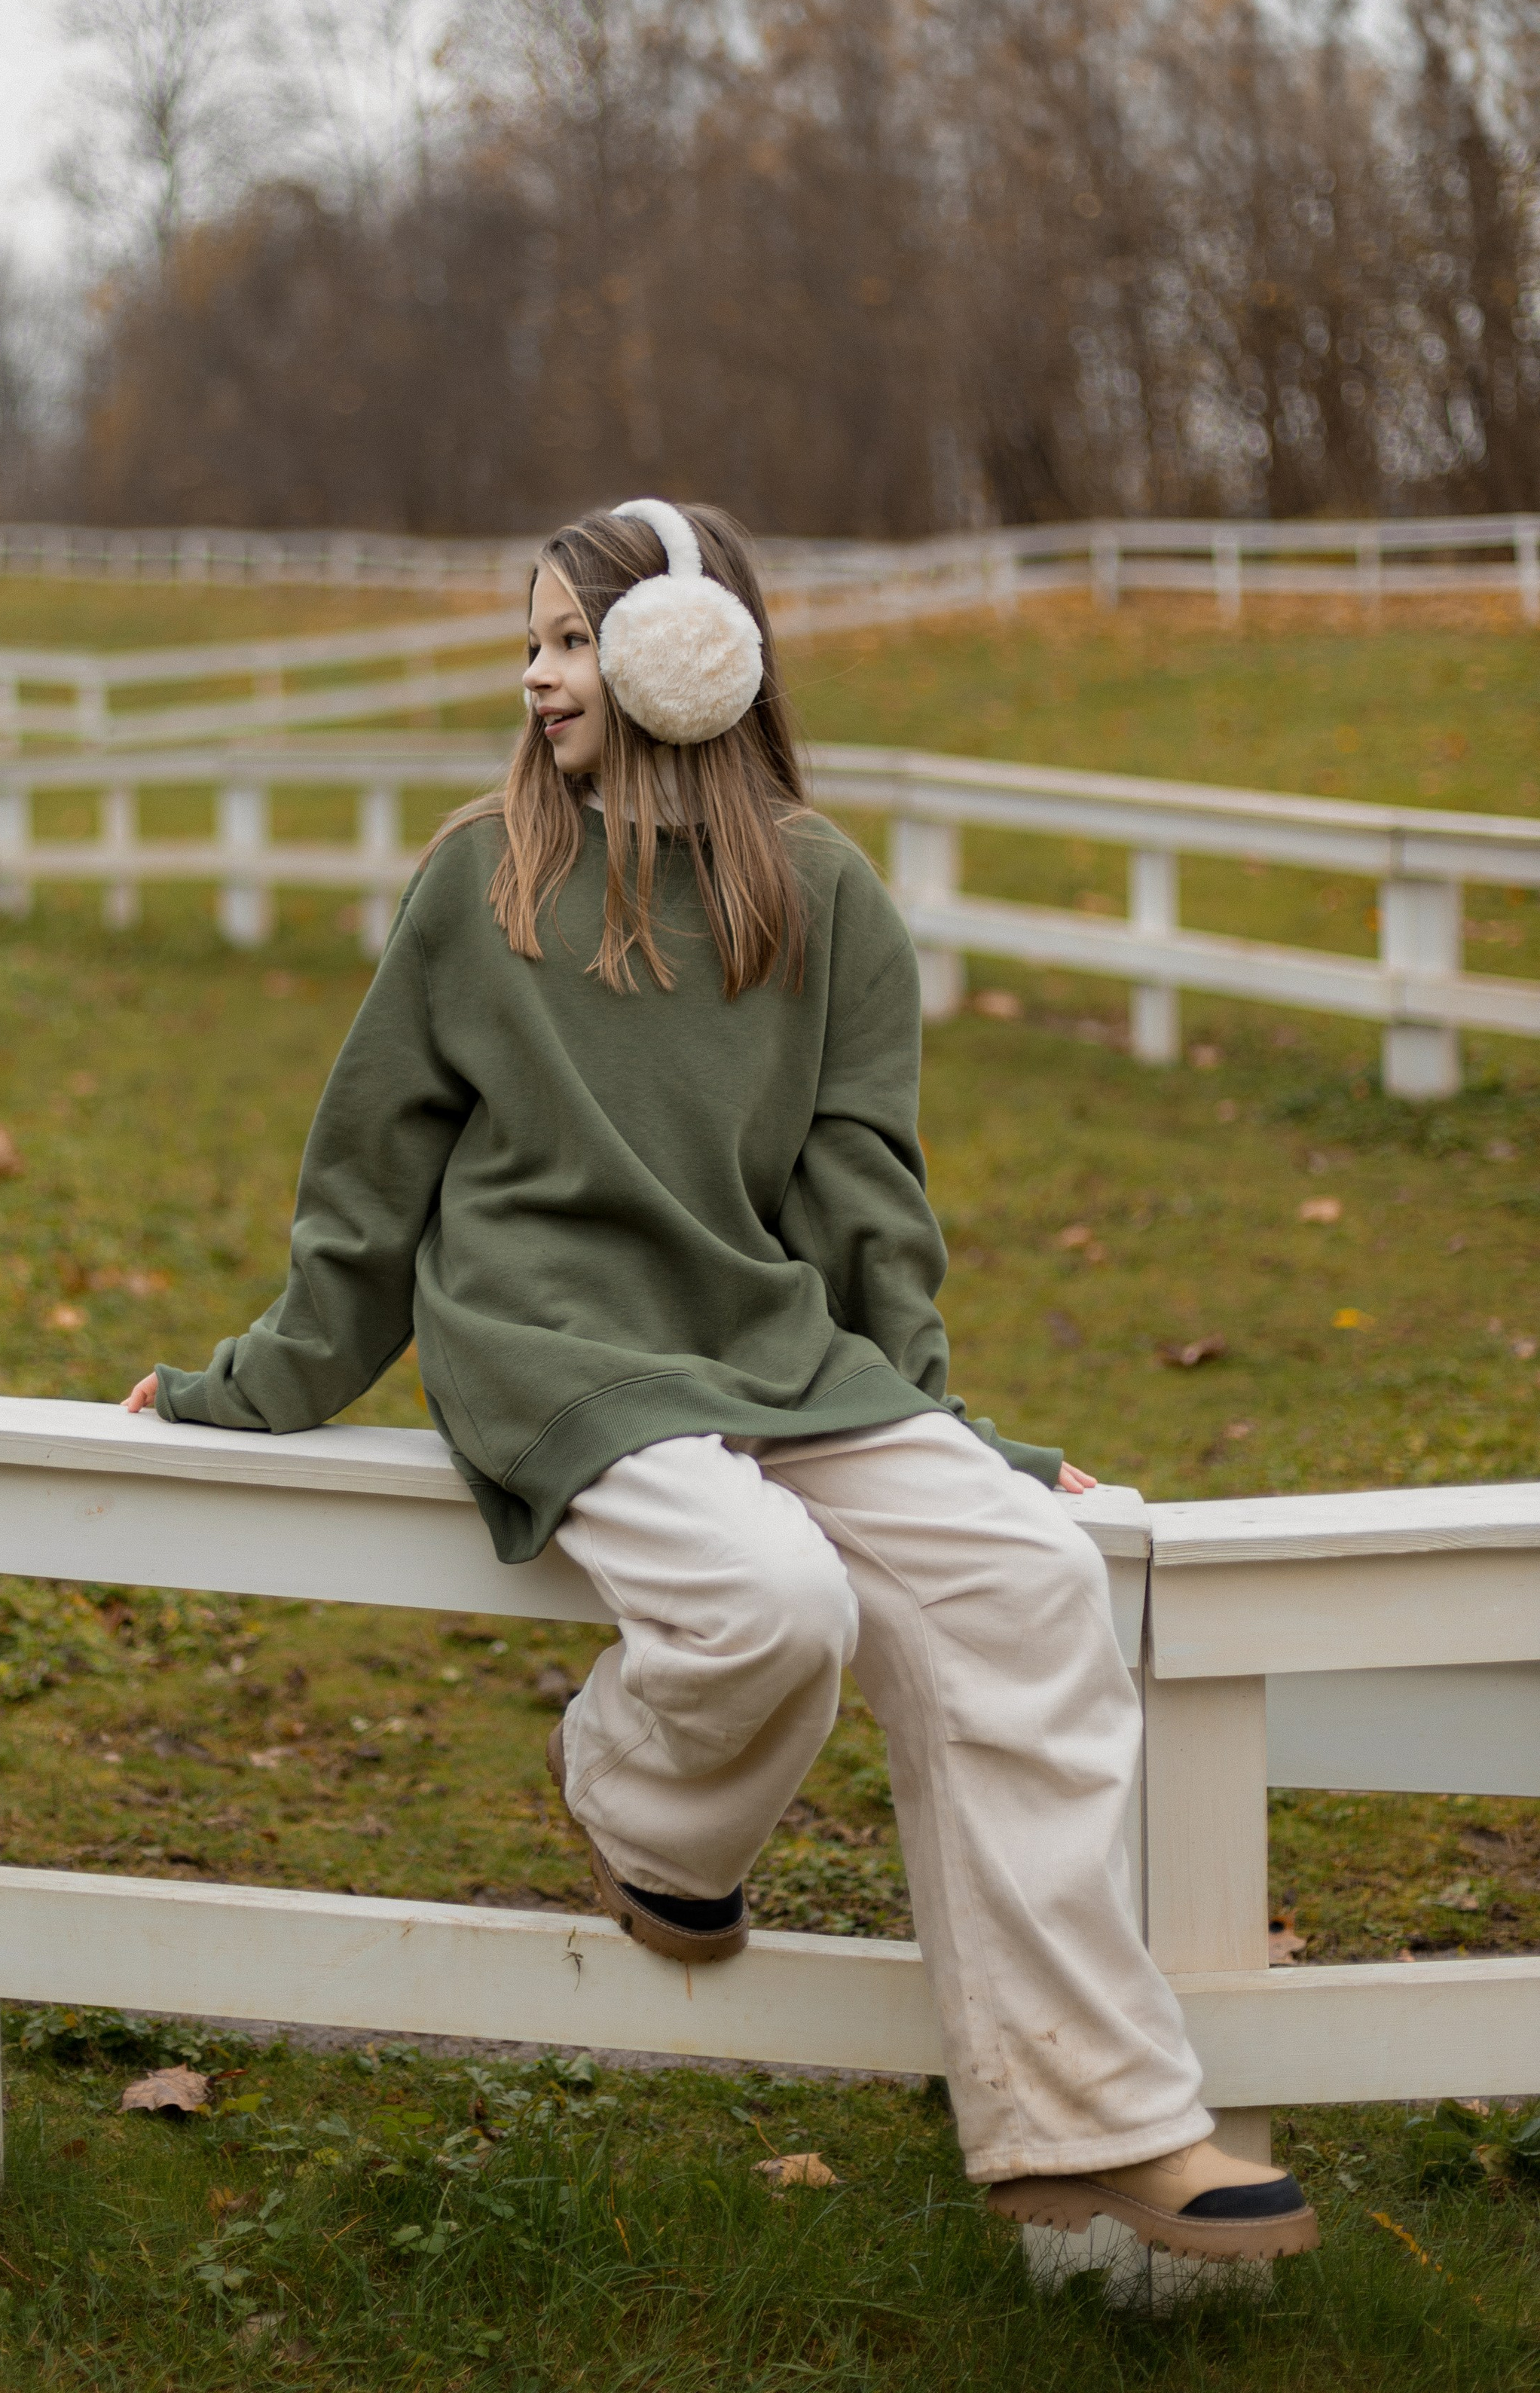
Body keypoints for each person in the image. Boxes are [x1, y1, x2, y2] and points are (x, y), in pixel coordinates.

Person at [126, 500, 1316, 2268]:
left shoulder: (821, 894)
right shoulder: (478, 879)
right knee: (768, 1603)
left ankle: (1092, 2119)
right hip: (551, 1342)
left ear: (693, 653)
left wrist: (953, 1431)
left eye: (566, 641)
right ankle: (641, 1809)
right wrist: (255, 1384)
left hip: (765, 1342)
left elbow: (863, 1197)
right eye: (524, 645)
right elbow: (370, 1178)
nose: (535, 678)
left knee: (1029, 1577)